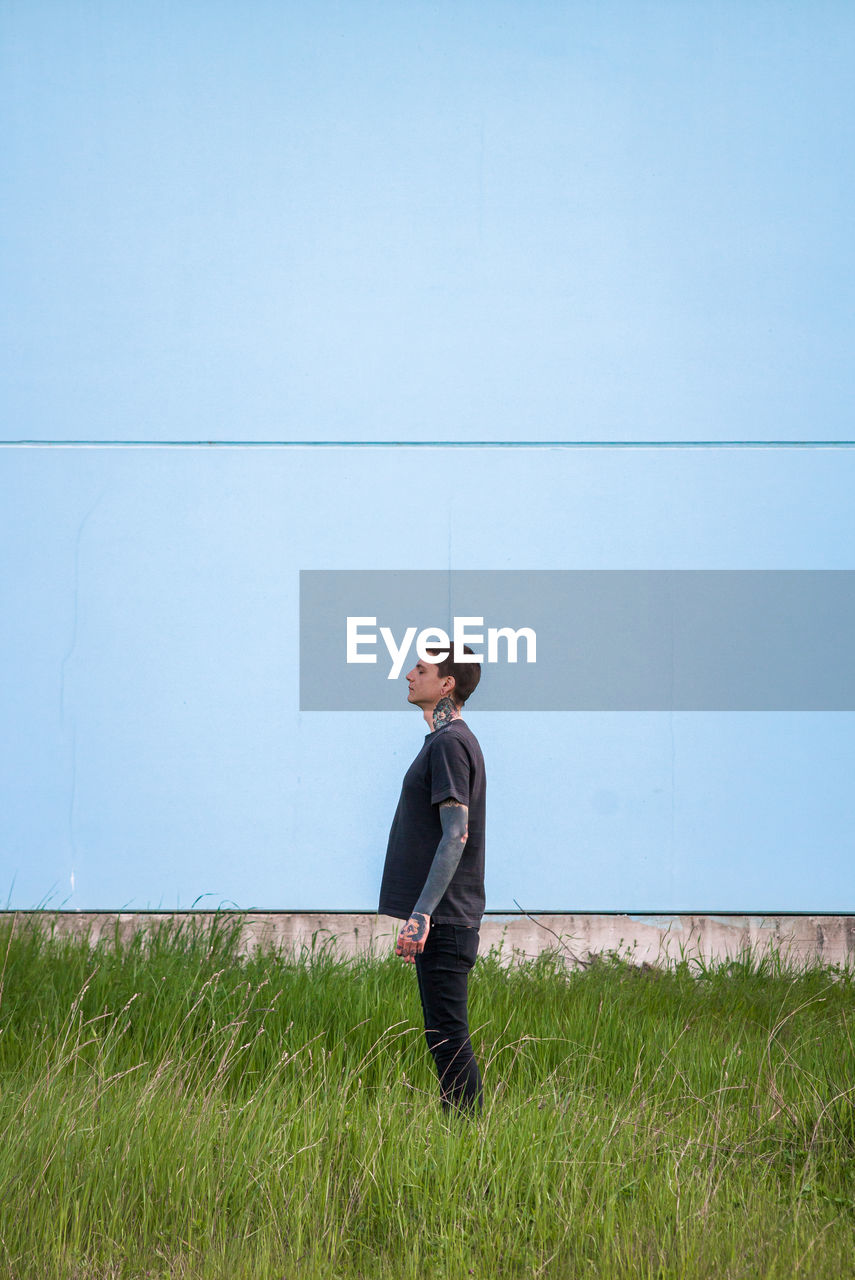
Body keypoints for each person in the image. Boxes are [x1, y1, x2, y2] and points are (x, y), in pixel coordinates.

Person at [377, 643, 486, 1115]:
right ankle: (461, 1135)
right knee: (443, 1034)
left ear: (447, 685)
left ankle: (467, 1138)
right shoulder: (448, 742)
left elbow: (455, 835)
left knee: (448, 1036)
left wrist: (421, 915)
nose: (408, 675)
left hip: (445, 919)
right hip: (445, 917)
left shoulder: (448, 743)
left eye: (420, 669)